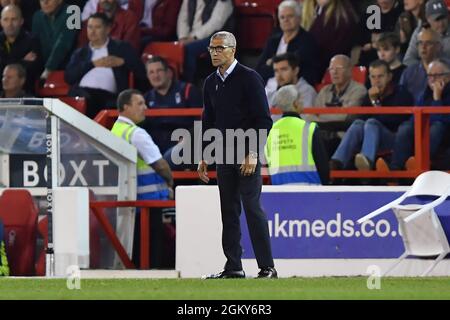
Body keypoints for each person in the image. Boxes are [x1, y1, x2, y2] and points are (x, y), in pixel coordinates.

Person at [198, 31, 276, 279]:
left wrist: (252, 152)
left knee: (252, 209)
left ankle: (267, 267)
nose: (214, 52)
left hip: (246, 155)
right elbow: (209, 120)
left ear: (233, 50)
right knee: (228, 212)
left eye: (219, 48)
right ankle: (233, 267)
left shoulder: (249, 78)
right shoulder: (210, 82)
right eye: (212, 48)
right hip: (223, 154)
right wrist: (204, 155)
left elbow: (263, 120)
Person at [111, 89, 174, 267]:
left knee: (136, 248)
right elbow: (160, 164)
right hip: (149, 201)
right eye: (139, 104)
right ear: (125, 107)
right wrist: (170, 182)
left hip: (129, 200)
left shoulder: (115, 129)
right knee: (152, 250)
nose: (145, 107)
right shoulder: (136, 133)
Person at [330, 60, 414, 171]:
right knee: (358, 123)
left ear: (389, 77)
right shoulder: (368, 95)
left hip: (394, 139)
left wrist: (375, 102)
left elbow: (394, 120)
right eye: (373, 77)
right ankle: (337, 162)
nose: (377, 81)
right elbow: (361, 117)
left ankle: (367, 160)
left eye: (380, 76)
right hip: (370, 138)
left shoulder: (401, 93)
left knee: (372, 122)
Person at [65, 13, 146, 119]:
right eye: (90, 27)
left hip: (108, 96)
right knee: (81, 97)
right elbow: (69, 77)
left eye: (97, 27)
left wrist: (123, 62)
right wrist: (92, 64)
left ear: (108, 29)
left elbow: (142, 72)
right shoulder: (81, 52)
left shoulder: (121, 48)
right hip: (83, 94)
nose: (92, 32)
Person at [389, 58, 450, 170]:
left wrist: (437, 99)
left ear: (447, 77)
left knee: (436, 127)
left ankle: (418, 164)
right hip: (425, 130)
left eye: (437, 75)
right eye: (429, 76)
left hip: (444, 134)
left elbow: (442, 120)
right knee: (406, 127)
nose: (432, 79)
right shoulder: (426, 93)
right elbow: (415, 118)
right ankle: (395, 170)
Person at [265, 84, 329, 185]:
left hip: (279, 192)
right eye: (300, 99)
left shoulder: (270, 131)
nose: (302, 102)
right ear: (295, 104)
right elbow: (323, 166)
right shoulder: (309, 129)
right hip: (310, 191)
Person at [306, 54, 367, 155]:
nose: (334, 72)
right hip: (322, 134)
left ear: (349, 71)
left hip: (342, 137)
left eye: (339, 68)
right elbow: (310, 116)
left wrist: (321, 120)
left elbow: (345, 117)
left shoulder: (359, 90)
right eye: (331, 69)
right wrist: (329, 121)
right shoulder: (324, 91)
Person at [143, 55, 202, 154]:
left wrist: (188, 138)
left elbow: (202, 120)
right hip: (156, 147)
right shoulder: (146, 98)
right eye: (151, 72)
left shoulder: (187, 90)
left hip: (184, 144)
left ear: (169, 73)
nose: (155, 75)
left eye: (159, 71)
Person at [256, 0, 319, 86]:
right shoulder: (273, 40)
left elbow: (296, 70)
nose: (286, 20)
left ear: (299, 18)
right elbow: (259, 69)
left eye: (290, 16)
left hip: (294, 89)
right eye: (282, 17)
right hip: (267, 88)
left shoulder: (307, 41)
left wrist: (271, 64)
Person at [176, 0, 234, 82]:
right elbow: (183, 18)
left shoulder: (224, 1)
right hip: (189, 37)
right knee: (174, 48)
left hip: (216, 38)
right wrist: (183, 37)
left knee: (189, 49)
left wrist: (193, 38)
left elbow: (215, 23)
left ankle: (188, 84)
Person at [32, 0, 78, 80]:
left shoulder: (74, 12)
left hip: (68, 69)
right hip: (42, 69)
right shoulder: (37, 16)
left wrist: (49, 68)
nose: (45, 2)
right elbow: (34, 44)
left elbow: (64, 43)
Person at [0, 5, 41, 93]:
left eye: (13, 19)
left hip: (25, 91)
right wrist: (22, 61)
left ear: (21, 21)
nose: (10, 24)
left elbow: (32, 69)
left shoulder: (32, 41)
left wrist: (5, 62)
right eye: (6, 19)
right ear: (1, 22)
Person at [400, 27, 443, 104]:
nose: (423, 47)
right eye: (420, 43)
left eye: (428, 43)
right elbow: (400, 99)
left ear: (438, 46)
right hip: (413, 114)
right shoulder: (408, 73)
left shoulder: (447, 70)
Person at [403, 0, 450, 66]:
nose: (441, 23)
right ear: (428, 19)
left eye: (443, 18)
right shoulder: (420, 32)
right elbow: (408, 59)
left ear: (448, 17)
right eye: (437, 20)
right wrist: (427, 67)